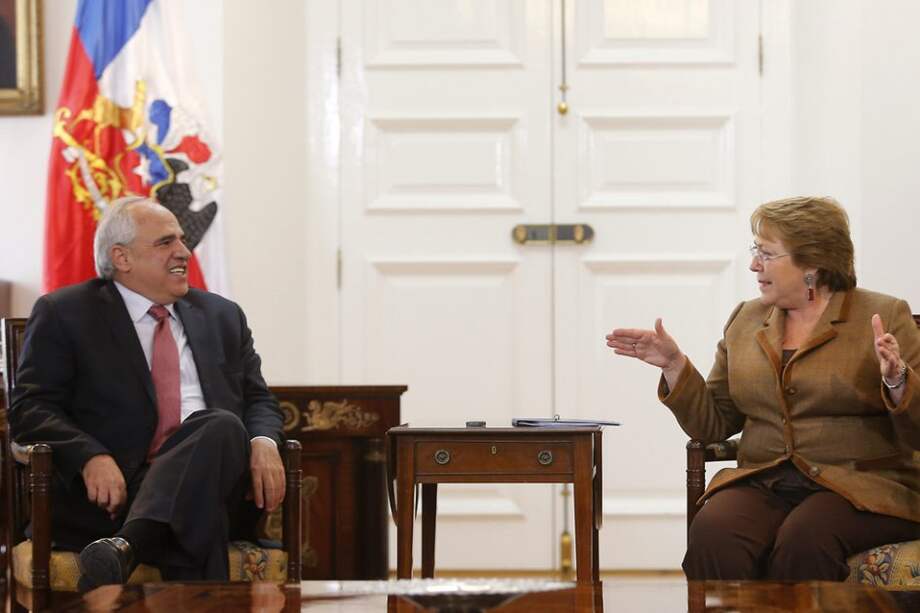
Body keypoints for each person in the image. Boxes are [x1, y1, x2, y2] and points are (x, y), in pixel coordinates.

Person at [605, 196, 920, 580]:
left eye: (767, 254)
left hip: (860, 486)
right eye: (756, 251)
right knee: (714, 533)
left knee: (805, 539)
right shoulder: (746, 319)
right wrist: (675, 366)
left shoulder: (883, 316)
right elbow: (715, 423)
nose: (755, 264)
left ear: (813, 263)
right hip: (766, 479)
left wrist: (896, 380)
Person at [9, 196, 286, 589]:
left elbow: (258, 399)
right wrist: (90, 456)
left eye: (182, 240)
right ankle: (139, 540)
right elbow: (31, 409)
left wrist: (262, 440)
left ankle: (128, 545)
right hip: (115, 491)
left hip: (217, 475)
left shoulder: (223, 316)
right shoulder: (66, 313)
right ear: (121, 258)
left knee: (221, 426)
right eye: (166, 243)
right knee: (199, 515)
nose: (184, 252)